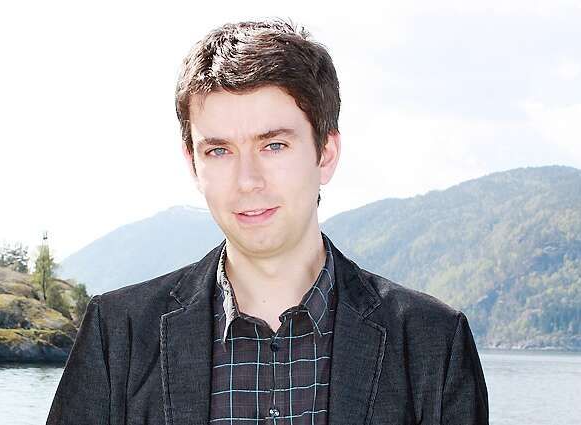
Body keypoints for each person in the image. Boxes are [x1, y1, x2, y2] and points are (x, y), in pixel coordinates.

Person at [47, 19, 489, 425]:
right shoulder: (117, 335)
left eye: (273, 145)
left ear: (326, 154)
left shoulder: (434, 342)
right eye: (219, 150)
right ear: (193, 163)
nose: (248, 181)